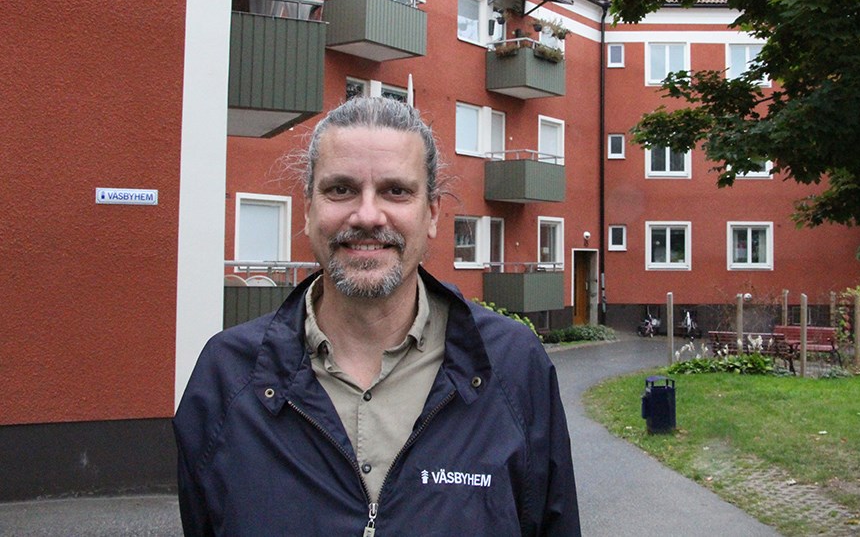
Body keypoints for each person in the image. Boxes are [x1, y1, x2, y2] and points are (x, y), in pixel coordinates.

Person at [173, 97, 580, 536]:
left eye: (396, 191)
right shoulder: (228, 378)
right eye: (341, 190)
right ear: (308, 209)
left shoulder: (512, 366)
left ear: (432, 214)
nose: (367, 215)